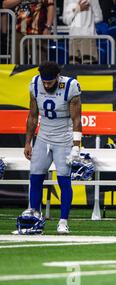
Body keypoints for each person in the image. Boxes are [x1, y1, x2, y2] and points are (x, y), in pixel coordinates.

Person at [19, 61, 82, 234]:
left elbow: (77, 119)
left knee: (64, 179)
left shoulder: (70, 86)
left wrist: (76, 146)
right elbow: (32, 116)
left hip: (64, 137)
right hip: (44, 136)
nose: (46, 85)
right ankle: (34, 216)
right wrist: (28, 142)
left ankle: (63, 221)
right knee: (35, 177)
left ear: (57, 77)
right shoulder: (34, 84)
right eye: (44, 82)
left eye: (50, 82)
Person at [3, 0, 55, 64]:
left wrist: (48, 27)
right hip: (19, 31)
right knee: (16, 63)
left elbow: (51, 6)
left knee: (39, 62)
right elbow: (5, 5)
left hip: (37, 32)